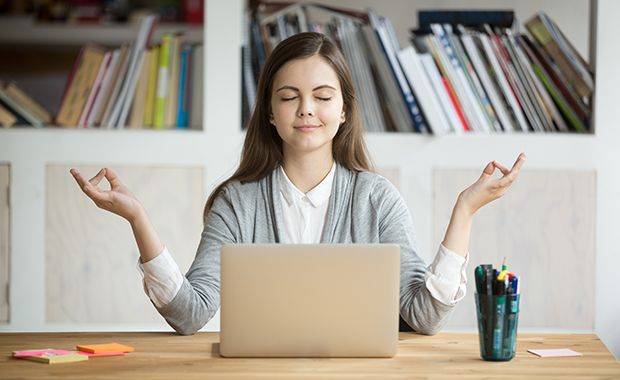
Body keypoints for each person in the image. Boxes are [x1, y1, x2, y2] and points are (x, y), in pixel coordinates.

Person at [70, 32, 526, 336]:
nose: (306, 109)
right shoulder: (238, 203)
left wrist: (464, 211)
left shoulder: (376, 199)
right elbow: (191, 315)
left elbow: (423, 317)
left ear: (343, 110)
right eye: (289, 98)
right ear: (270, 112)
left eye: (323, 97)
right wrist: (137, 218)